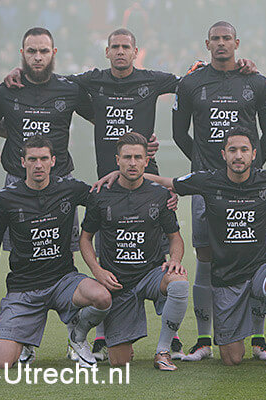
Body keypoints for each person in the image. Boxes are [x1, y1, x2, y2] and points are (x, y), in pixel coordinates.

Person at [4, 27, 256, 360]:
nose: (120, 51)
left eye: (126, 47)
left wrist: (236, 66)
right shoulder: (92, 81)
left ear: (136, 51)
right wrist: (21, 71)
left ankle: (172, 336)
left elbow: (194, 79)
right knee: (113, 251)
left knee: (160, 249)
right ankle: (102, 334)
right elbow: (50, 76)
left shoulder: (152, 79)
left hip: (146, 179)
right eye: (115, 47)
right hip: (108, 180)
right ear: (106, 52)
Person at [98, 127, 266, 369]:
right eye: (232, 150)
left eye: (244, 150)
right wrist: (117, 174)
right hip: (226, 277)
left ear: (254, 154)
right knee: (232, 359)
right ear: (223, 154)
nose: (238, 156)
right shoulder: (208, 180)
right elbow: (167, 182)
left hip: (259, 268)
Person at [172, 21, 266, 361]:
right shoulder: (191, 83)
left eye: (226, 39)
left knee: (253, 253)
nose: (221, 44)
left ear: (237, 42)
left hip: (249, 186)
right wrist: (208, 168)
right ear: (207, 43)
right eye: (215, 39)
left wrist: (251, 169)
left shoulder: (257, 82)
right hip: (208, 188)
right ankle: (204, 338)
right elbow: (178, 134)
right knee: (205, 255)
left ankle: (259, 337)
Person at [0, 136, 112, 368]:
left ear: (53, 161)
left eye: (43, 159)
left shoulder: (69, 189)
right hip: (24, 288)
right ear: (23, 162)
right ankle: (25, 340)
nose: (38, 165)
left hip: (63, 281)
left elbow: (102, 198)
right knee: (1, 363)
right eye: (32, 159)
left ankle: (77, 337)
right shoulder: (6, 198)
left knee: (102, 297)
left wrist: (117, 176)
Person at [79, 132, 188, 371]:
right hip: (118, 281)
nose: (132, 162)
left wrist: (175, 260)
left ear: (146, 161)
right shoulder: (100, 195)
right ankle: (102, 335)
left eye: (138, 157)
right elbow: (85, 239)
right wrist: (97, 271)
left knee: (179, 282)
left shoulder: (160, 195)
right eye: (127, 157)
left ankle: (164, 350)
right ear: (117, 160)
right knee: (119, 362)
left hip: (151, 275)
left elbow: (175, 237)